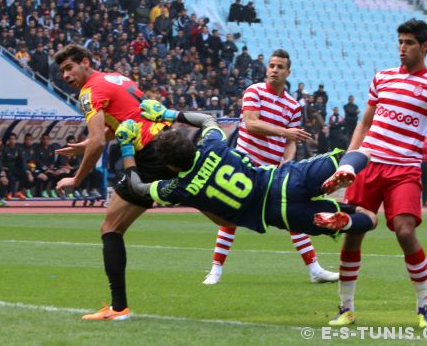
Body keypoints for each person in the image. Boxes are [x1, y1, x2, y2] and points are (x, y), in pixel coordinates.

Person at [328, 19, 427, 328]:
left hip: (404, 169)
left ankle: (424, 307)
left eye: (409, 43)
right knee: (353, 234)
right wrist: (349, 162)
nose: (402, 47)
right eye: (400, 42)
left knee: (405, 232)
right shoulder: (382, 78)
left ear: (424, 46)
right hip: (369, 164)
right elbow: (364, 123)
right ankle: (346, 308)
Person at [53, 44, 185, 321]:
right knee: (217, 207)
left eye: (69, 68)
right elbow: (121, 124)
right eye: (61, 71)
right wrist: (84, 145)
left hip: (149, 154)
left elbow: (100, 141)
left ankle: (118, 308)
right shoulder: (117, 78)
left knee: (110, 228)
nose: (65, 75)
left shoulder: (89, 92)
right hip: (170, 143)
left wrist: (77, 178)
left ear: (85, 62)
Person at [113, 102, 377, 239]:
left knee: (367, 221)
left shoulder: (179, 188)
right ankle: (346, 169)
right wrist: (168, 113)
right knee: (357, 154)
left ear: (170, 166)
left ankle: (350, 218)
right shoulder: (212, 146)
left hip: (275, 213)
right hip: (282, 180)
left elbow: (137, 187)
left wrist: (127, 149)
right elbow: (207, 119)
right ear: (189, 144)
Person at [203, 49, 338, 285]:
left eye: (280, 67)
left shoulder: (293, 106)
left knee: (292, 215)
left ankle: (315, 269)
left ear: (288, 72)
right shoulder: (254, 91)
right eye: (272, 65)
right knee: (231, 215)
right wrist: (285, 132)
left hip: (272, 171)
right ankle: (216, 270)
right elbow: (252, 123)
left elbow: (291, 142)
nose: (274, 70)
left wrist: (287, 161)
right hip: (244, 165)